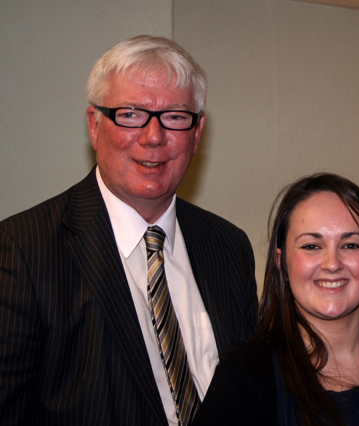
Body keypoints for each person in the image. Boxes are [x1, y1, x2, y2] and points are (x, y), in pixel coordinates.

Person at [0, 36, 258, 426]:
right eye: (131, 114)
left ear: (197, 132)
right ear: (94, 124)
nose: (153, 137)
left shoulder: (228, 245)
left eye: (174, 116)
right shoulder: (23, 248)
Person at [195, 173, 359, 426]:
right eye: (311, 246)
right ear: (281, 263)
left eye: (350, 245)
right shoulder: (243, 379)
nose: (332, 264)